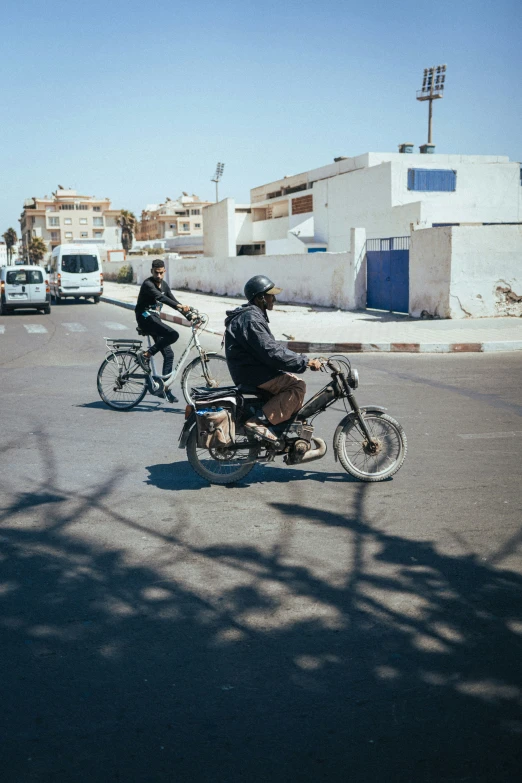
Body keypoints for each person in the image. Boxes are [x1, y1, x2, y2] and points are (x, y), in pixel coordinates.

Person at [224, 275, 322, 441]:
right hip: (252, 373)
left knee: (291, 380)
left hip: (251, 369)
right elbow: (270, 351)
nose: (274, 299)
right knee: (297, 386)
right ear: (261, 297)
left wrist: (298, 360)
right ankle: (258, 422)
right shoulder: (251, 319)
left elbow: (271, 348)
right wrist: (304, 362)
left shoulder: (253, 315)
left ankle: (278, 424)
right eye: (271, 295)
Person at [135, 258, 191, 403]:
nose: (158, 276)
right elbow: (160, 297)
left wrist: (190, 314)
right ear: (151, 271)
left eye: (161, 273)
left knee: (169, 354)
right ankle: (146, 355)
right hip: (145, 317)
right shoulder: (148, 284)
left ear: (164, 271)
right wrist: (180, 306)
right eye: (156, 273)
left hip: (155, 319)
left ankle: (164, 389)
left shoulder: (164, 285)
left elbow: (173, 300)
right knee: (173, 334)